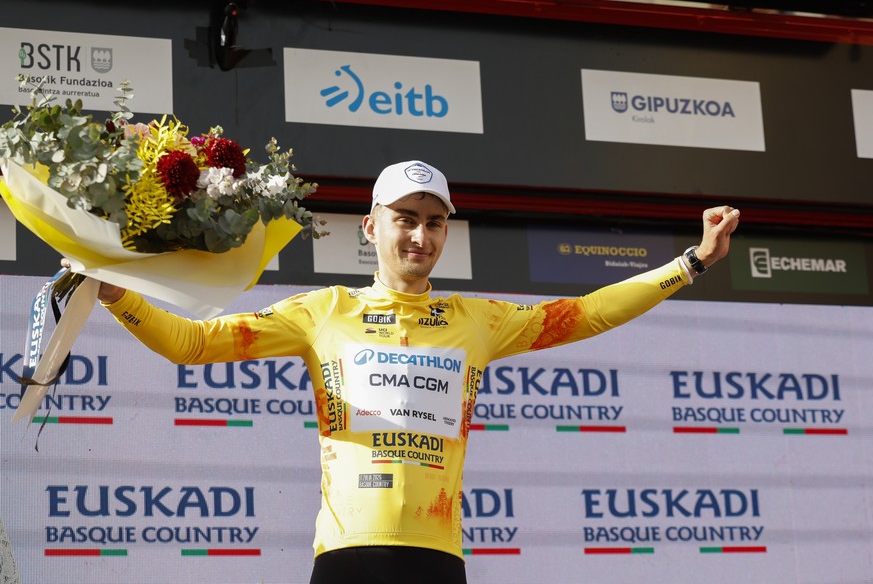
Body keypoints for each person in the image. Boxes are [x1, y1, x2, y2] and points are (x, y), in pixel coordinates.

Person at [95, 160, 740, 584]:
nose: (420, 237)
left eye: (434, 223)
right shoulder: (323, 312)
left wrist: (692, 262)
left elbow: (589, 313)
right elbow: (192, 344)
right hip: (346, 560)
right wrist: (115, 293)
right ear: (372, 226)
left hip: (437, 561)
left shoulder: (477, 319)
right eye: (406, 220)